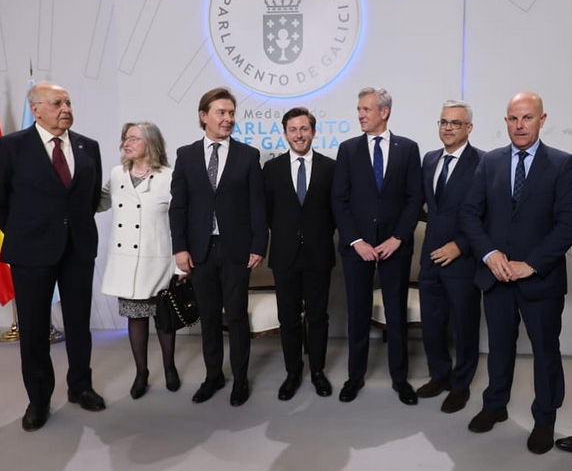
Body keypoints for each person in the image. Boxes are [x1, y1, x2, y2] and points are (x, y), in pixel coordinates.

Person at [0, 82, 104, 432]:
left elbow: (90, 197)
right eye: (56, 103)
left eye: (68, 101)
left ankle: (81, 386)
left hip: (78, 248)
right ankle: (39, 400)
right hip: (31, 251)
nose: (65, 108)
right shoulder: (11, 147)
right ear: (36, 109)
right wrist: (24, 233)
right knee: (35, 328)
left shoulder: (88, 147)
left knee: (79, 324)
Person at [460, 91, 572, 455]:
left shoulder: (562, 164)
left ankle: (545, 419)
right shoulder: (489, 162)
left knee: (545, 352)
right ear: (505, 122)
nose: (519, 125)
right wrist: (490, 255)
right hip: (496, 276)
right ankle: (495, 405)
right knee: (499, 347)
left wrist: (533, 263)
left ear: (542, 120)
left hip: (540, 279)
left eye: (526, 118)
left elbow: (567, 224)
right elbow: (470, 215)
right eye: (512, 118)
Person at [169, 87, 267, 406]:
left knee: (236, 316)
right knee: (208, 316)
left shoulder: (248, 155)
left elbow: (257, 207)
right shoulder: (186, 155)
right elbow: (178, 207)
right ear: (204, 116)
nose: (228, 119)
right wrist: (180, 248)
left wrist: (258, 246)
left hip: (237, 249)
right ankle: (214, 375)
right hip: (200, 250)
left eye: (231, 113)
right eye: (221, 113)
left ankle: (240, 378)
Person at [332, 87, 423, 405]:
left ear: (384, 112)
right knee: (357, 313)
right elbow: (339, 200)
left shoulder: (408, 149)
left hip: (395, 247)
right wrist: (357, 241)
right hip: (358, 248)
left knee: (396, 314)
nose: (360, 114)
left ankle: (400, 379)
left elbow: (415, 199)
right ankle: (354, 378)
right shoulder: (348, 149)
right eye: (358, 109)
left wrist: (397, 238)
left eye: (366, 109)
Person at [99, 122, 180, 400]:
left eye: (133, 138)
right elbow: (99, 202)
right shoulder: (117, 174)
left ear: (150, 143)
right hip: (127, 262)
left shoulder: (169, 177)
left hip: (159, 260)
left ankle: (170, 367)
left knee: (164, 319)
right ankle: (141, 372)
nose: (126, 143)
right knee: (135, 318)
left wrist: (181, 264)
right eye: (125, 138)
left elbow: (180, 222)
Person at [263, 108, 336, 401]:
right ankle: (293, 372)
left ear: (314, 132)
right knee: (289, 317)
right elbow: (267, 213)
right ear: (285, 134)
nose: (299, 135)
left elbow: (335, 211)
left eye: (304, 129)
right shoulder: (272, 169)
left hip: (319, 253)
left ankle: (317, 372)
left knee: (318, 317)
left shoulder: (330, 168)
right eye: (293, 130)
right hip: (284, 255)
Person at [416, 100, 483, 413]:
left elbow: (487, 215)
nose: (447, 128)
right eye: (443, 122)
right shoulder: (429, 160)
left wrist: (460, 245)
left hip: (462, 261)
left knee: (465, 325)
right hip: (430, 258)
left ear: (468, 128)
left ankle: (460, 385)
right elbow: (426, 207)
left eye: (455, 123)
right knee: (432, 323)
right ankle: (439, 375)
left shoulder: (483, 163)